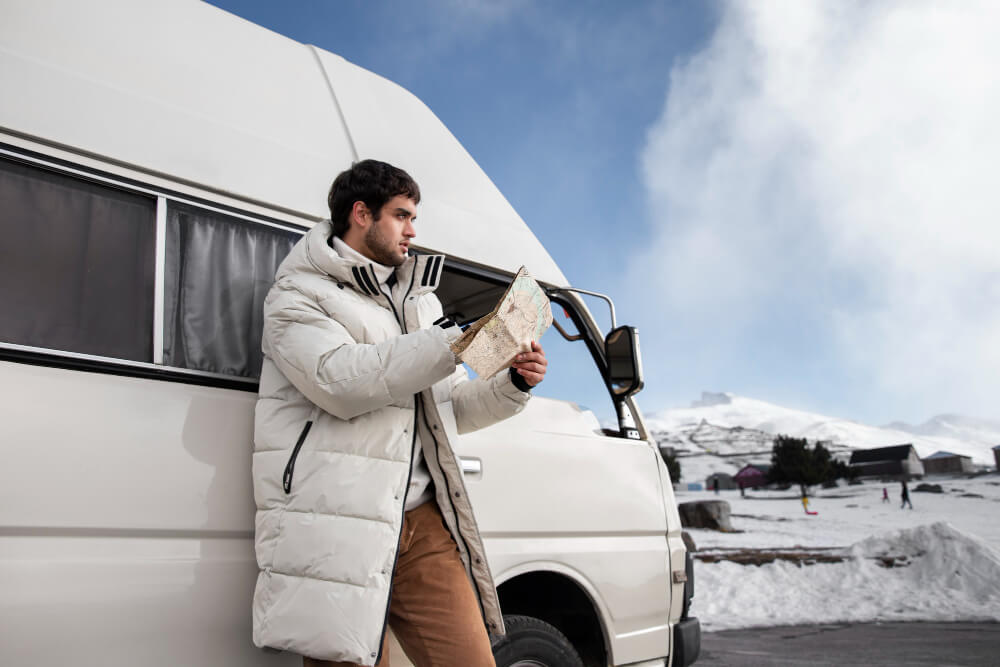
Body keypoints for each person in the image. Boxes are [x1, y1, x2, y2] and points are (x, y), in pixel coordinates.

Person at [250, 160, 548, 666]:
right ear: (361, 214)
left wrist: (513, 382)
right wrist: (450, 341)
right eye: (402, 215)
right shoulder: (298, 294)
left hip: (422, 522)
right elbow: (340, 381)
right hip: (338, 520)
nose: (413, 230)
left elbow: (451, 408)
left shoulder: (421, 303)